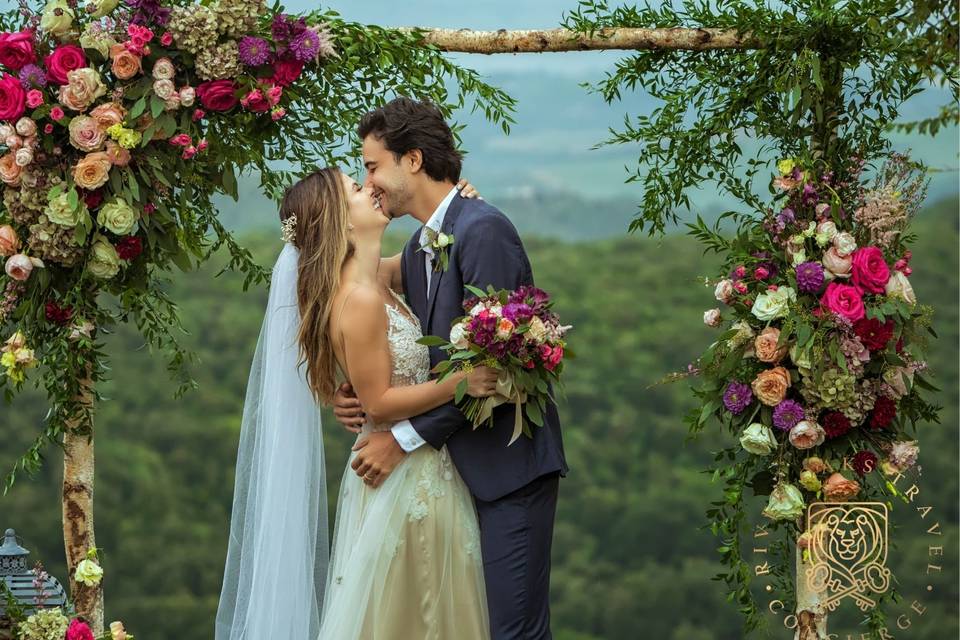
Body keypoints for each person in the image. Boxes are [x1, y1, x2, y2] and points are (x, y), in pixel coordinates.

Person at [215, 165, 497, 640]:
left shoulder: (375, 278)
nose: (370, 188)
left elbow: (427, 259)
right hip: (403, 479)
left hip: (422, 470)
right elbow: (382, 403)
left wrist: (458, 204)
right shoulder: (359, 298)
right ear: (339, 221)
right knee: (414, 614)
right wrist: (462, 382)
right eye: (356, 187)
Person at [334, 97, 568, 640]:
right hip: (452, 484)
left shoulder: (483, 229)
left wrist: (405, 437)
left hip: (507, 470)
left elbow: (502, 371)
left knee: (514, 632)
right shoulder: (421, 243)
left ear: (411, 161)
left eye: (373, 167)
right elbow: (351, 297)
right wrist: (344, 389)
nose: (370, 184)